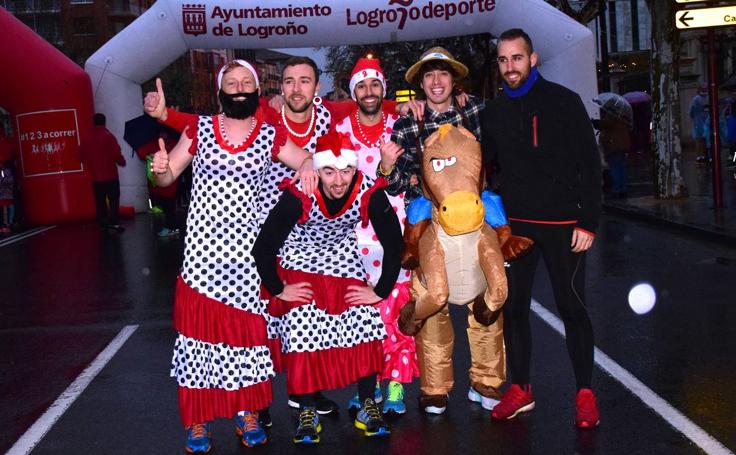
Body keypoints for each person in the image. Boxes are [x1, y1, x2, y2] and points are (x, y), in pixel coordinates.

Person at [150, 59, 318, 453]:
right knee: (198, 342)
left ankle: (247, 412)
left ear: (256, 90)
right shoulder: (199, 129)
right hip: (201, 260)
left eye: (246, 82)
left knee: (246, 340)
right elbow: (167, 175)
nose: (239, 87)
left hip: (246, 261)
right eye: (232, 82)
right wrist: (157, 170)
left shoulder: (269, 134)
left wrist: (309, 167)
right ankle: (197, 423)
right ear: (220, 90)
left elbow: (305, 157)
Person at [377, 46, 513, 415]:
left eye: (443, 75)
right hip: (430, 225)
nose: (436, 82)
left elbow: (500, 152)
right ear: (421, 83)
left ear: (454, 80)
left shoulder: (475, 111)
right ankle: (435, 388)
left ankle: (486, 382)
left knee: (483, 306)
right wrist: (399, 173)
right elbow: (393, 182)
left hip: (474, 222)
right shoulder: (408, 123)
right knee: (432, 304)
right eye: (429, 76)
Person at [480, 28, 601, 428]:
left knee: (571, 307)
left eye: (517, 58)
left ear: (532, 59)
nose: (510, 67)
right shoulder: (494, 112)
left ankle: (585, 393)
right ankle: (522, 389)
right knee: (514, 310)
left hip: (565, 225)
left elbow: (589, 163)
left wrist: (588, 222)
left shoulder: (563, 102)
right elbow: (485, 165)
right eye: (503, 60)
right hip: (517, 229)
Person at [253, 131, 402, 443]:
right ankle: (306, 409)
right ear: (318, 170)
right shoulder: (299, 195)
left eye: (346, 171)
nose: (338, 181)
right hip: (300, 258)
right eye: (330, 171)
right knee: (302, 325)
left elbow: (394, 241)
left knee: (365, 321)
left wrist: (379, 291)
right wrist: (278, 288)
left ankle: (366, 404)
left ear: (355, 169)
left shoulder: (367, 191)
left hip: (341, 258)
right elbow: (264, 246)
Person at [334, 57, 418, 415]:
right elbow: (339, 184)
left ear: (383, 89)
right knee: (362, 317)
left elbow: (413, 175)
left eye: (374, 85)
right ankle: (367, 387)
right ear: (354, 92)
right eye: (361, 86)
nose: (369, 92)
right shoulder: (340, 130)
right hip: (356, 239)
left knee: (399, 311)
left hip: (395, 234)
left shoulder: (400, 126)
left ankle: (395, 386)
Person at [78, 113, 126, 232]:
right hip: (110, 175)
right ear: (104, 122)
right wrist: (122, 162)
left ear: (93, 123)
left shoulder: (87, 138)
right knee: (114, 199)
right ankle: (113, 222)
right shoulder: (109, 136)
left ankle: (103, 223)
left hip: (95, 177)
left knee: (100, 201)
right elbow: (116, 154)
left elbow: (80, 156)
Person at [597, 108, 631, 199]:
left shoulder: (611, 116)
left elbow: (604, 124)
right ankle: (623, 190)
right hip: (622, 146)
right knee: (621, 169)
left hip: (614, 146)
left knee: (615, 169)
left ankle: (616, 190)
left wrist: (596, 122)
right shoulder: (623, 117)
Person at [690, 83, 711, 163]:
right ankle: (705, 155)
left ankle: (700, 156)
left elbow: (691, 111)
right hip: (705, 121)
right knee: (705, 139)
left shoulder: (696, 99)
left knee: (699, 140)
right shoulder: (708, 98)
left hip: (699, 122)